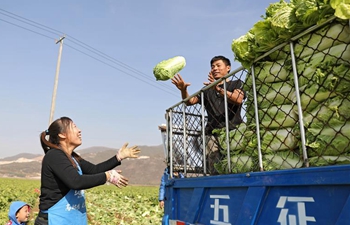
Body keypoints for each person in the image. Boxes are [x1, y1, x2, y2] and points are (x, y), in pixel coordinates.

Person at [34, 116, 141, 225]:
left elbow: (95, 170)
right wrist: (107, 177)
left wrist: (119, 157)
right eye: (74, 127)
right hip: (54, 219)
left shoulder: (73, 158)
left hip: (70, 219)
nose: (79, 130)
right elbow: (75, 181)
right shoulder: (54, 155)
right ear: (62, 135)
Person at [171, 55, 245, 175]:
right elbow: (190, 102)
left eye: (218, 65)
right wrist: (183, 90)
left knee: (236, 164)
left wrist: (219, 89)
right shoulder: (207, 89)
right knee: (214, 168)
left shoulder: (236, 83)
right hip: (212, 134)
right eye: (212, 66)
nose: (214, 68)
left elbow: (238, 99)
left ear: (228, 68)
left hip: (234, 130)